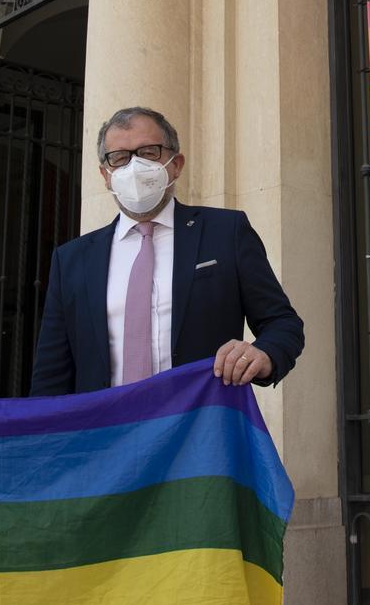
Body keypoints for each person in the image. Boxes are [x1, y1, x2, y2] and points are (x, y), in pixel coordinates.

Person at [30, 107, 304, 396]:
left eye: (149, 153)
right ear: (105, 174)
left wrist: (263, 355)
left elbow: (282, 323)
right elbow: (51, 374)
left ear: (176, 164)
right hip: (105, 433)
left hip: (199, 427)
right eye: (120, 158)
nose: (133, 167)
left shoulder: (225, 232)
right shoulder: (73, 259)